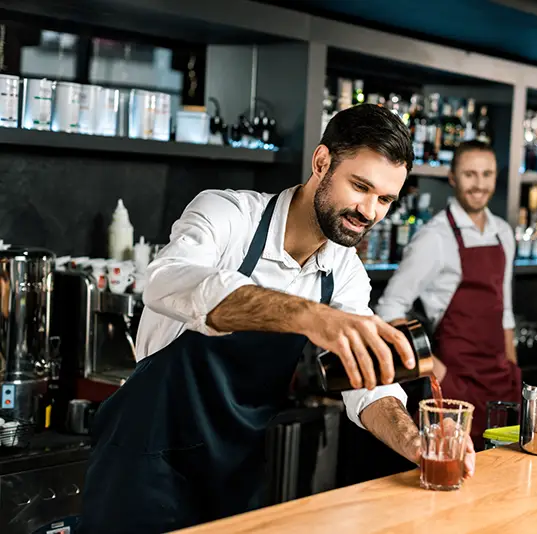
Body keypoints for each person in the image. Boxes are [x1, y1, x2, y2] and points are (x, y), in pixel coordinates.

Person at [79, 104, 475, 533]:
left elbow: (369, 388)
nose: (370, 211)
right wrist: (310, 316)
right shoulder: (228, 216)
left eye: (385, 199)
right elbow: (164, 281)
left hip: (235, 471)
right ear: (321, 162)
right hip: (143, 461)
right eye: (360, 186)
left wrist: (415, 441)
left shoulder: (345, 273)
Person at [376, 140, 520, 448]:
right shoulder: (434, 237)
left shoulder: (503, 233)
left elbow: (504, 311)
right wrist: (435, 370)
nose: (479, 184)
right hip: (455, 382)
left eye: (487, 174)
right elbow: (390, 308)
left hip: (499, 380)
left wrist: (512, 369)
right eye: (470, 174)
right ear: (452, 177)